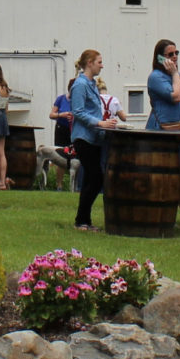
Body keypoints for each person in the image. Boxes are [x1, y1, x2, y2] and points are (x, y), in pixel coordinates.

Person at [146, 40, 180, 225]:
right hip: (166, 132)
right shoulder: (156, 77)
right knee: (168, 172)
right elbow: (176, 96)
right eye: (170, 54)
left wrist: (176, 74)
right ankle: (162, 214)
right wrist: (175, 73)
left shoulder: (175, 74)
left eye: (176, 53)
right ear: (160, 57)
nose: (175, 57)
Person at [70, 49, 118, 230]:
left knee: (93, 178)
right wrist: (100, 123)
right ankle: (81, 220)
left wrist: (104, 124)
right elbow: (78, 112)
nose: (102, 65)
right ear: (89, 63)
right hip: (84, 137)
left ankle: (84, 220)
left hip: (94, 137)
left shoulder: (91, 84)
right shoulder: (80, 85)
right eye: (99, 62)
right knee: (95, 177)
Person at [49, 78, 75, 191]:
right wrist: (62, 114)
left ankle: (74, 185)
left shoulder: (78, 101)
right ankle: (59, 185)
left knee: (74, 156)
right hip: (61, 129)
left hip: (74, 130)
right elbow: (51, 114)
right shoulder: (61, 99)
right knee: (61, 156)